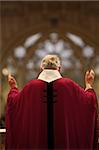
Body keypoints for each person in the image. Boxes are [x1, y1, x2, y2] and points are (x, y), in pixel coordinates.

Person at [6, 54, 98, 149]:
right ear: (59, 69)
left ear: (41, 69)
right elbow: (89, 102)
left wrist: (13, 88)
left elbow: (13, 103)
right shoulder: (69, 85)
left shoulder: (31, 87)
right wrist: (88, 85)